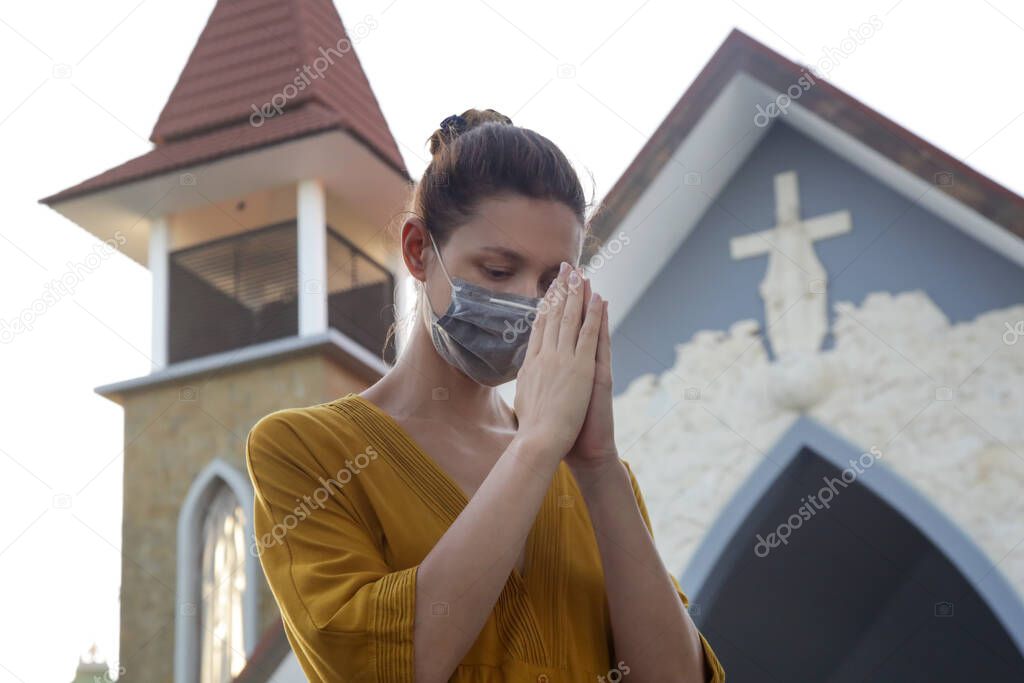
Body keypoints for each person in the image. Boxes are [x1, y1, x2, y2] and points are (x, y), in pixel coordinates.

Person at [245, 108, 726, 682]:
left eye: (552, 283)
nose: (527, 301)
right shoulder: (306, 450)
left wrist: (597, 466)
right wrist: (536, 447)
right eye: (499, 271)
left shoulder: (593, 476)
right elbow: (390, 668)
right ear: (419, 250)